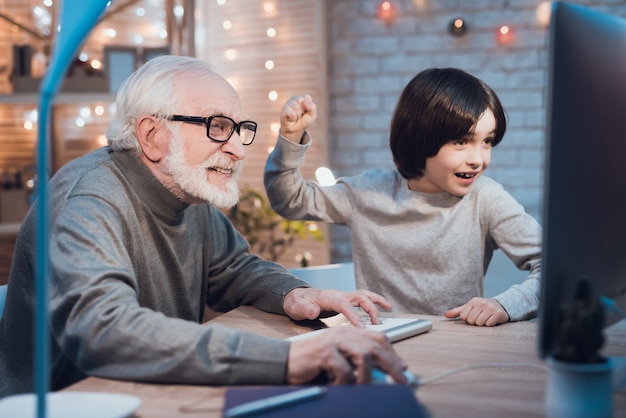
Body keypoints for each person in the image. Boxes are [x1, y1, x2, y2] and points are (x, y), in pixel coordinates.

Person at [0, 55, 409, 398]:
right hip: (73, 403)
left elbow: (233, 268)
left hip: (147, 392)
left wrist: (298, 293)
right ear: (152, 135)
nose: (235, 147)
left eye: (240, 129)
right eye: (217, 126)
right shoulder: (88, 201)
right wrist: (288, 358)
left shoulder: (186, 189)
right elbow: (103, 331)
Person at [264, 68, 542, 327]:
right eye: (461, 142)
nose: (478, 159)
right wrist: (290, 138)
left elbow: (557, 268)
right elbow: (289, 200)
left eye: (487, 141)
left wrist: (506, 305)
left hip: (457, 345)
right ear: (420, 137)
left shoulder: (486, 198)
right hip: (379, 338)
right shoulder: (366, 193)